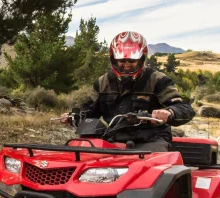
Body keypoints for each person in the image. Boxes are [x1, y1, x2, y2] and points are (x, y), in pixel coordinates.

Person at [60, 31, 194, 152]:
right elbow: (90, 110)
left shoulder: (157, 80)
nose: (126, 64)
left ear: (142, 58)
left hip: (151, 140)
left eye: (132, 60)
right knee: (78, 154)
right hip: (112, 139)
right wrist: (74, 116)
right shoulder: (103, 82)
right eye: (122, 60)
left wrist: (169, 112)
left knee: (150, 169)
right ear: (113, 59)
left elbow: (184, 108)